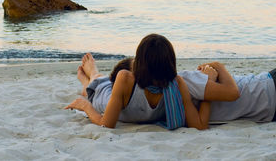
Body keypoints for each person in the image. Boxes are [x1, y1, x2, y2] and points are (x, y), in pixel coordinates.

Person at [65, 34, 222, 130]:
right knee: (97, 85)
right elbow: (106, 122)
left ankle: (90, 79)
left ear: (139, 62)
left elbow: (200, 126)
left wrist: (209, 85)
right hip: (106, 99)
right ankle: (91, 73)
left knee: (98, 84)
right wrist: (86, 104)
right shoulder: (125, 78)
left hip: (125, 91)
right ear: (171, 63)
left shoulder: (177, 84)